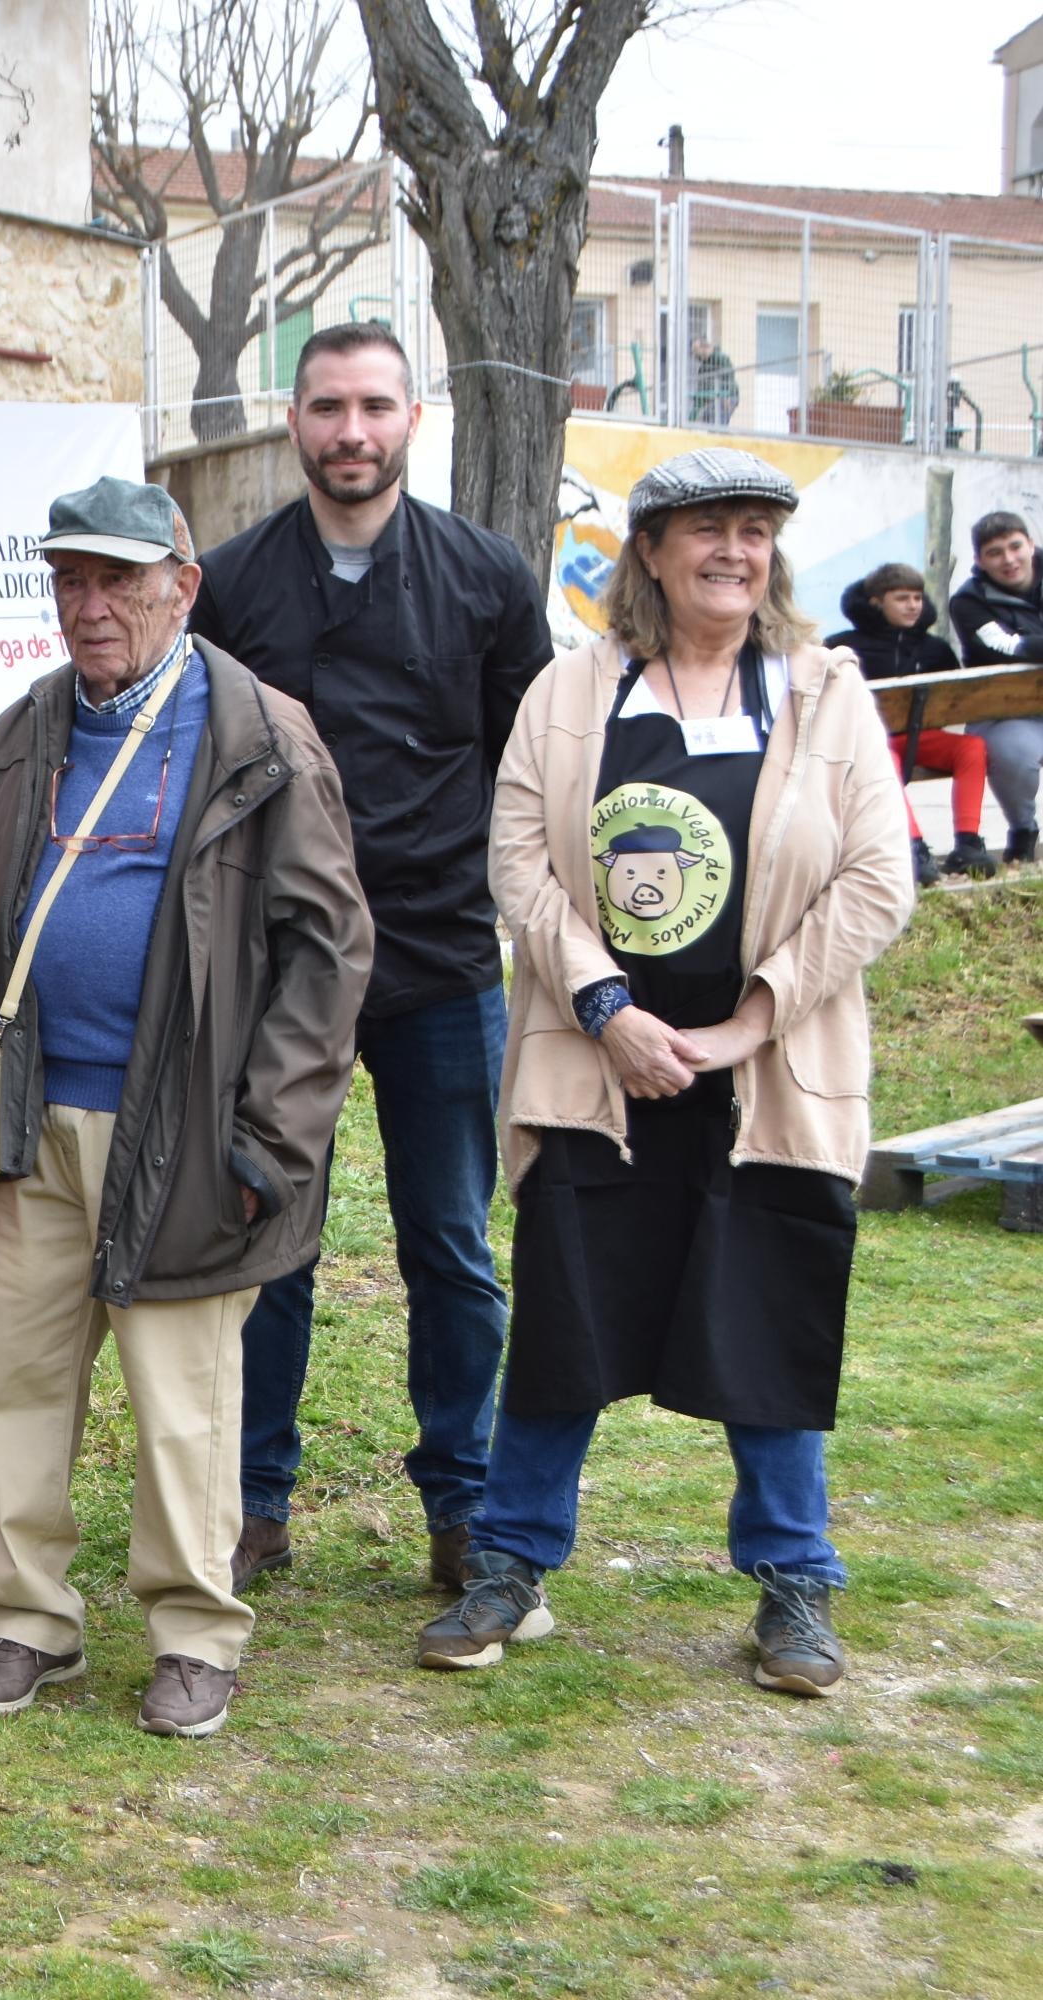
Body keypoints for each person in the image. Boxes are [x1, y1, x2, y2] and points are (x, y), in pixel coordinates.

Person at [0, 477, 370, 1738]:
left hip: (191, 1125)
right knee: (18, 1380)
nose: (93, 608)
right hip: (37, 1115)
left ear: (181, 586)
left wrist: (273, 1135)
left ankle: (196, 1633)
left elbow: (328, 953)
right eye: (72, 581)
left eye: (121, 580)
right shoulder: (27, 728)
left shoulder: (260, 733)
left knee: (182, 1400)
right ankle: (25, 1618)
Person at [423, 447, 913, 1697]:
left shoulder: (824, 691)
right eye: (707, 530)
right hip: (603, 1062)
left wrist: (752, 1020)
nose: (733, 552)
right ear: (649, 550)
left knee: (772, 1308)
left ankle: (796, 1579)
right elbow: (520, 860)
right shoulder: (573, 693)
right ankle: (515, 1561)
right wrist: (606, 1008)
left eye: (755, 531)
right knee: (565, 1317)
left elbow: (876, 881)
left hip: (763, 1070)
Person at [190, 323, 554, 1593]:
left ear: (416, 414)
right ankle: (253, 1498)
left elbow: (532, 763)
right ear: (292, 419)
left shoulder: (486, 576)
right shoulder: (232, 583)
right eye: (329, 406)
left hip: (443, 957)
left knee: (450, 1241)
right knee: (271, 1231)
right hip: (281, 966)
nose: (353, 431)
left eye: (376, 406)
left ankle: (464, 1500)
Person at [825, 562, 993, 882]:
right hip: (870, 744)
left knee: (972, 747)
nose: (913, 605)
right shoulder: (841, 646)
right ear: (877, 602)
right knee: (883, 758)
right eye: (902, 598)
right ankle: (913, 847)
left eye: (917, 597)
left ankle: (968, 844)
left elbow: (953, 698)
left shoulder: (935, 649)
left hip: (923, 737)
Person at [946, 510, 1043, 867]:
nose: (1009, 559)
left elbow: (1024, 644)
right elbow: (1005, 648)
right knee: (1012, 754)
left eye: (1015, 546)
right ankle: (1023, 830)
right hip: (1005, 712)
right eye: (995, 553)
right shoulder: (967, 602)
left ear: (1030, 545)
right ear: (979, 560)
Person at [688, 335, 740, 427]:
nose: (694, 355)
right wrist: (692, 416)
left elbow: (729, 377)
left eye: (695, 351)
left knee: (718, 421)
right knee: (707, 419)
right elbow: (701, 392)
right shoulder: (703, 368)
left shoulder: (721, 358)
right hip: (714, 399)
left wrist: (726, 396)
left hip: (727, 396)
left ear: (703, 348)